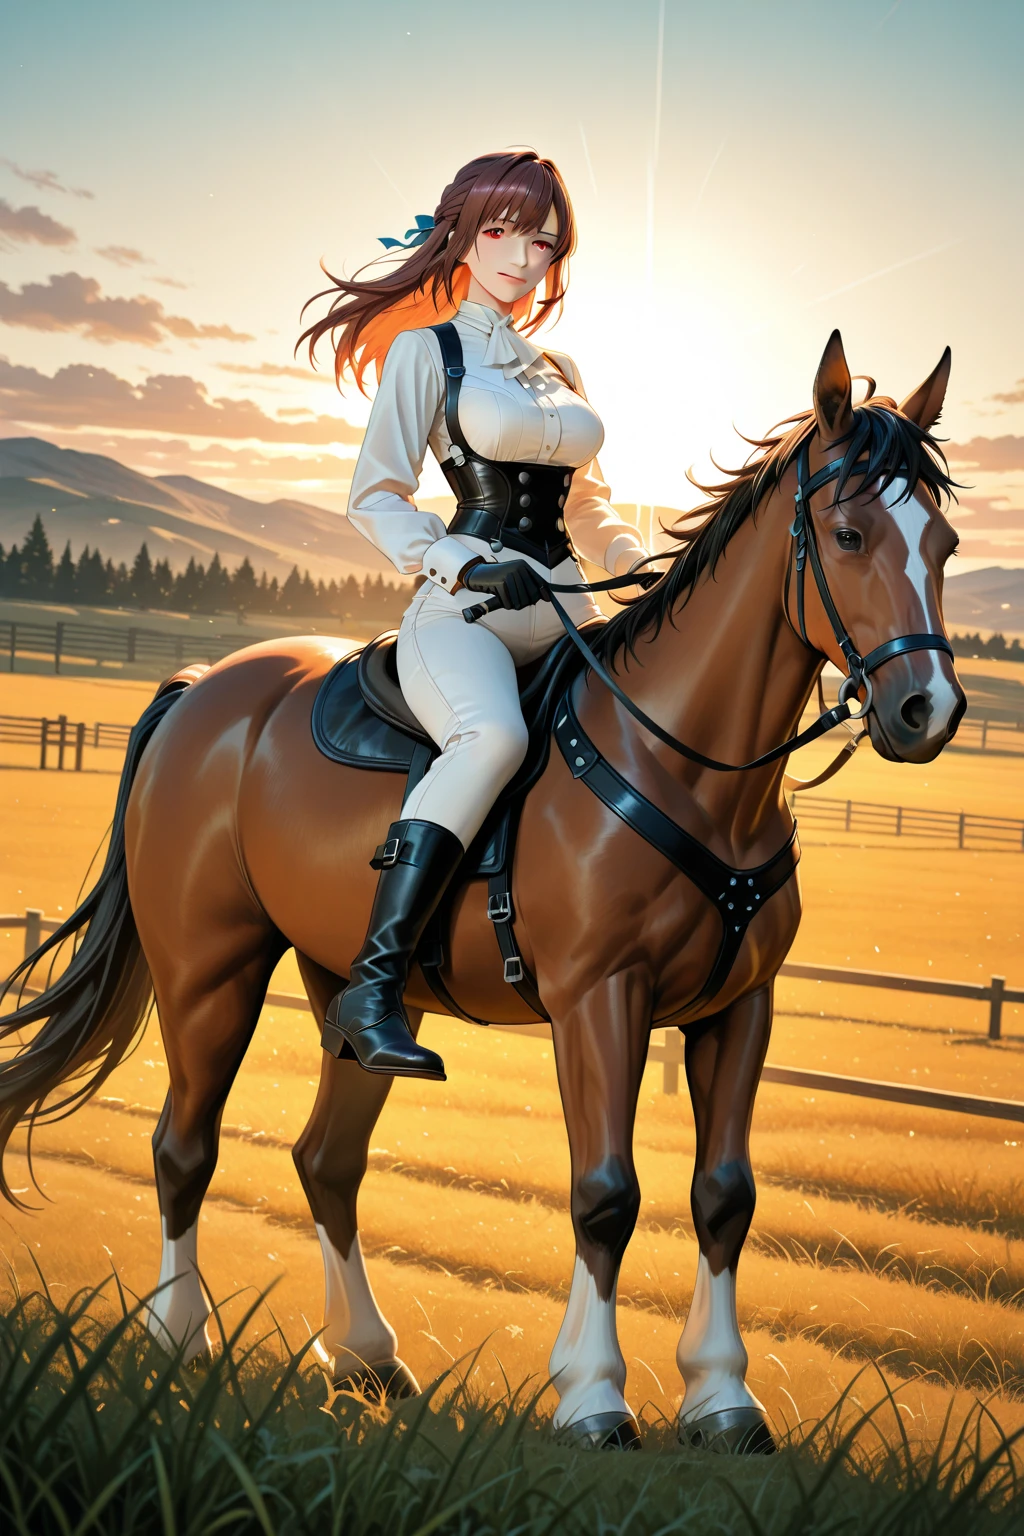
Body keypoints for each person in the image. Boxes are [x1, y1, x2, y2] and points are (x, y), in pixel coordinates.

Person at [299, 149, 651, 1082]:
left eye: (542, 239)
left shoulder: (560, 368)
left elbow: (590, 505)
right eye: (500, 230)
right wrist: (462, 561)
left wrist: (635, 563)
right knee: (491, 738)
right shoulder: (430, 351)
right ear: (461, 233)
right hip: (464, 616)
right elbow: (374, 497)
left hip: (568, 610)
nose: (521, 255)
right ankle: (372, 989)